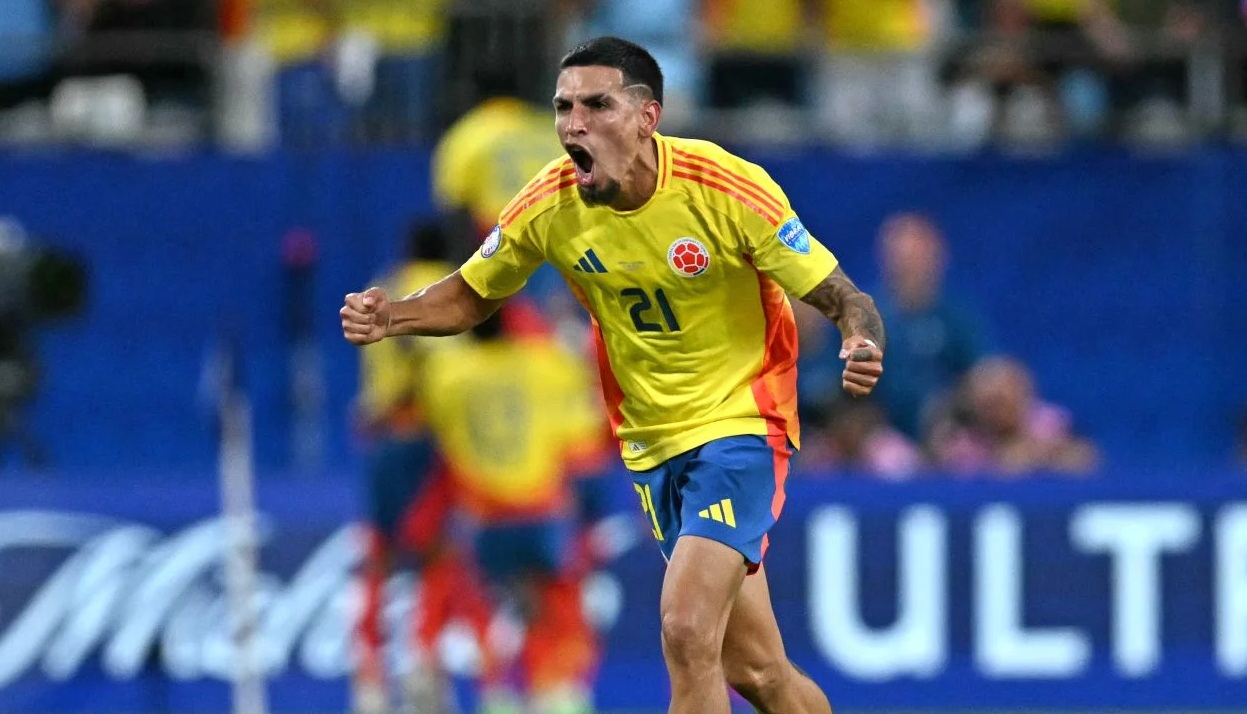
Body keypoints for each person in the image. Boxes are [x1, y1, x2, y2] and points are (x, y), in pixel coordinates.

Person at [341, 36, 886, 713]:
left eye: (597, 105)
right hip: (653, 444)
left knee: (686, 629)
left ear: (646, 117)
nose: (574, 124)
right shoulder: (549, 204)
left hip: (742, 423)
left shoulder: (723, 187)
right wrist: (393, 316)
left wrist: (860, 336)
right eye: (563, 107)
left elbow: (841, 294)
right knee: (757, 670)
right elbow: (472, 294)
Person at [419, 307, 609, 714]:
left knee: (492, 618)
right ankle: (557, 697)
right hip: (542, 515)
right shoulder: (542, 365)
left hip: (486, 520)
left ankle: (498, 698)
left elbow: (437, 429)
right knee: (557, 613)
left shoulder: (448, 375)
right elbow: (583, 433)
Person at [349, 218, 465, 714]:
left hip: (385, 437)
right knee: (437, 554)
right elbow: (425, 358)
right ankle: (423, 659)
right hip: (429, 437)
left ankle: (370, 679)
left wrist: (376, 407)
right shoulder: (451, 287)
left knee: (380, 555)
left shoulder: (384, 285)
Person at [872, 212, 989, 440]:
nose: (909, 269)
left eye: (917, 259)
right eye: (902, 261)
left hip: (953, 429)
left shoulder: (956, 317)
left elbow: (981, 374)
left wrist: (951, 406)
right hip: (884, 435)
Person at [926, 355, 1100, 477]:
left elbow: (1085, 458)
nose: (995, 412)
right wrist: (999, 463)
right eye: (987, 404)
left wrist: (1039, 456)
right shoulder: (962, 440)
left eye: (1001, 402)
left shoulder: (1050, 424)